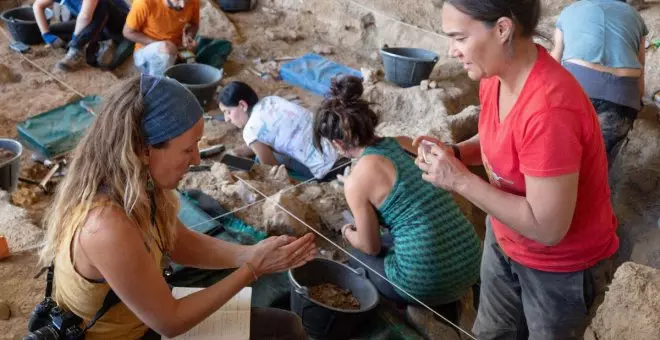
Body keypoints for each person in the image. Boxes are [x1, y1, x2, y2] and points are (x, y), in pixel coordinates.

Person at [39, 74, 316, 339]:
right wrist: (252, 269)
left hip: (143, 318)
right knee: (283, 331)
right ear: (143, 149)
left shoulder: (139, 183)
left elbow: (177, 240)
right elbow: (170, 322)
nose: (196, 159)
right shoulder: (106, 225)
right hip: (132, 333)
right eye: (187, 149)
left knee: (285, 325)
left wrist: (248, 254)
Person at [416, 1, 619, 339]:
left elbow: (547, 228)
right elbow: (500, 134)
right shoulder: (495, 76)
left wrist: (459, 180)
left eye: (460, 38)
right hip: (505, 236)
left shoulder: (550, 109)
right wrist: (457, 153)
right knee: (492, 332)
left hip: (559, 267)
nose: (452, 51)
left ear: (502, 29)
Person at [313, 76, 482, 324]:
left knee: (357, 254)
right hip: (472, 260)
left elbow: (371, 247)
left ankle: (409, 311)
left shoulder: (357, 180)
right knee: (402, 234)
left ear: (337, 143)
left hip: (429, 283)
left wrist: (348, 232)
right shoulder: (403, 142)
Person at [551, 0, 648, 167]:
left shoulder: (569, 11)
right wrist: (636, 102)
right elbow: (640, 71)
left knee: (564, 159)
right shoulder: (636, 17)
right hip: (622, 100)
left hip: (576, 91)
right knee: (598, 164)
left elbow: (554, 60)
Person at [218, 81, 348, 181]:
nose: (227, 119)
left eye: (228, 112)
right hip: (344, 150)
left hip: (329, 171)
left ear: (242, 105)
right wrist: (240, 151)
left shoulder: (250, 131)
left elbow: (271, 167)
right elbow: (269, 136)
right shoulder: (271, 101)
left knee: (264, 158)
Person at [33, 0, 130, 71]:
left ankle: (75, 51)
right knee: (52, 30)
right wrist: (46, 35)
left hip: (119, 26)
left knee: (101, 4)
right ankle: (89, 42)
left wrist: (75, 40)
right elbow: (37, 6)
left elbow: (85, 16)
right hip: (94, 25)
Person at [122, 0, 199, 76]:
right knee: (167, 49)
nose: (182, 5)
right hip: (145, 53)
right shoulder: (144, 3)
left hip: (175, 48)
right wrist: (161, 45)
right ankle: (156, 82)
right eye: (177, 0)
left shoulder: (193, 1)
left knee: (192, 52)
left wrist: (189, 36)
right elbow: (127, 32)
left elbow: (194, 24)